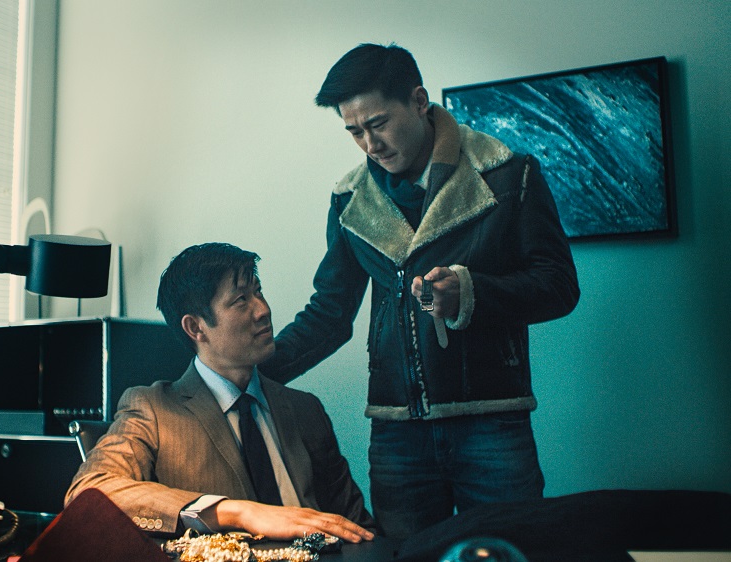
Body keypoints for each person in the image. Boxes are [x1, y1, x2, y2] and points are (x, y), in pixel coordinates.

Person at [259, 43, 581, 541]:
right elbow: (330, 312)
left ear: (418, 100)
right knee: (406, 556)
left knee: (513, 550)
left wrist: (470, 294)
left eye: (378, 124)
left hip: (492, 423)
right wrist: (251, 374)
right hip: (396, 435)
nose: (370, 143)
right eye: (354, 131)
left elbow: (558, 286)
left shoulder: (510, 173)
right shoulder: (348, 200)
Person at [65, 242, 375, 544]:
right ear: (195, 328)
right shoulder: (152, 409)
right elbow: (88, 492)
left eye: (258, 291)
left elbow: (358, 527)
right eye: (241, 299)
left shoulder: (305, 409)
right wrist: (236, 512)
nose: (263, 310)